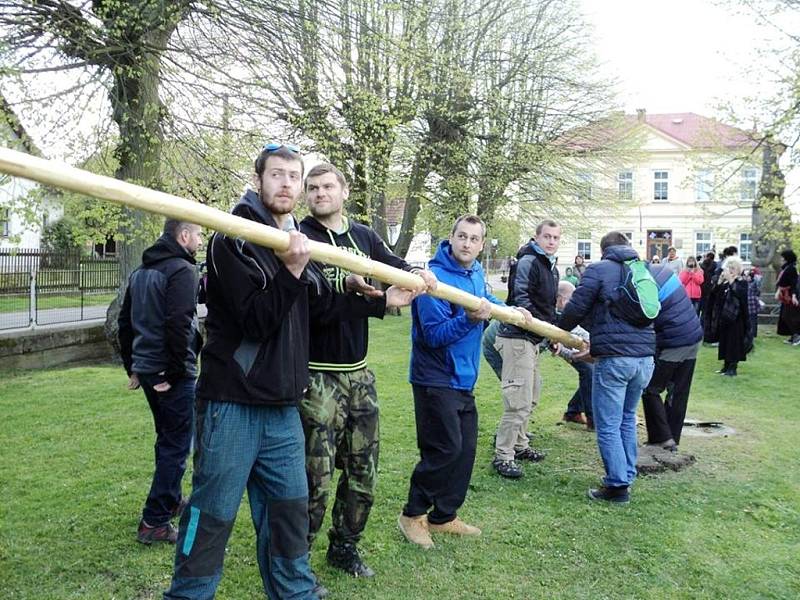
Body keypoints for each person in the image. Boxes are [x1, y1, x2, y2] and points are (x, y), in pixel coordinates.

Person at [163, 144, 415, 600]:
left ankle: (295, 592)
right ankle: (188, 593)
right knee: (212, 512)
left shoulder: (294, 237)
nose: (286, 183)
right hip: (233, 404)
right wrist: (292, 270)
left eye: (293, 177)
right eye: (276, 174)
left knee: (288, 511)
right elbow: (256, 321)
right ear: (259, 180)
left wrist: (378, 303)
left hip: (283, 407)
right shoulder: (232, 238)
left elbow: (318, 304)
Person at [298, 163, 436, 579]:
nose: (320, 193)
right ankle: (295, 560)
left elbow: (393, 263)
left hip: (359, 375)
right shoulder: (300, 238)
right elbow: (315, 307)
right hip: (316, 377)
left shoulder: (362, 236)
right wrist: (379, 303)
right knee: (314, 479)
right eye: (313, 187)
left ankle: (344, 547)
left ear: (343, 190)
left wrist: (415, 274)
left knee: (363, 471)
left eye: (327, 186)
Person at [398, 215, 530, 549]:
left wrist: (514, 311)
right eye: (462, 236)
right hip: (434, 377)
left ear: (481, 244)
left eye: (474, 239)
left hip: (463, 379)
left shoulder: (475, 274)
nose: (467, 243)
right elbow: (432, 336)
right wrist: (472, 322)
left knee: (465, 450)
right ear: (451, 238)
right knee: (444, 449)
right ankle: (412, 515)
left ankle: (443, 516)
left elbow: (490, 303)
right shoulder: (433, 280)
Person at [118, 219, 203, 545]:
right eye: (197, 234)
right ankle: (154, 521)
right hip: (170, 374)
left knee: (167, 439)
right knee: (177, 444)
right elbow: (179, 323)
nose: (199, 239)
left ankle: (170, 498)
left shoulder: (141, 272)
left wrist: (135, 367)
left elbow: (125, 324)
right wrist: (175, 373)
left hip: (151, 370)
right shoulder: (181, 269)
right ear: (183, 236)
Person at [558, 231, 655, 504]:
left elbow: (576, 307)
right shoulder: (642, 270)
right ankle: (626, 474)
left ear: (604, 251)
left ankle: (617, 486)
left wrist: (557, 331)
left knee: (608, 424)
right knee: (626, 418)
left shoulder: (598, 270)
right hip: (645, 358)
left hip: (615, 359)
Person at [492, 220, 561, 478]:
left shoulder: (551, 267)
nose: (551, 242)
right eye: (547, 237)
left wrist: (551, 335)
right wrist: (539, 326)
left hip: (533, 339)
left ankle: (520, 445)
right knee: (517, 401)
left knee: (530, 397)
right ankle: (503, 455)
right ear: (536, 237)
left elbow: (549, 308)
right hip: (517, 337)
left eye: (556, 238)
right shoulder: (528, 261)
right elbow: (520, 296)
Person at [641, 262, 703, 452]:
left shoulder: (644, 284)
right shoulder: (664, 272)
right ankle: (671, 440)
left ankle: (663, 438)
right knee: (679, 392)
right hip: (694, 337)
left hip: (675, 342)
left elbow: (645, 317)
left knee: (650, 389)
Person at [554, 281, 594, 430]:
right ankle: (592, 419)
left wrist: (593, 343)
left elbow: (577, 330)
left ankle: (573, 411)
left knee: (590, 371)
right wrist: (574, 355)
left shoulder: (564, 311)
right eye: (571, 299)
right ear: (561, 299)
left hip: (565, 344)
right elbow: (556, 347)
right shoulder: (550, 313)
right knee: (589, 372)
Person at [713, 256, 751, 376]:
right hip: (725, 317)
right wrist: (719, 283)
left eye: (733, 268)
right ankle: (725, 366)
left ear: (738, 270)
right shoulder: (726, 284)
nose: (730, 270)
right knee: (724, 341)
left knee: (733, 343)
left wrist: (731, 281)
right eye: (729, 268)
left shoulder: (742, 282)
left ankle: (732, 368)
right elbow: (715, 297)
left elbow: (739, 295)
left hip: (737, 319)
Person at [775, 249, 800, 345]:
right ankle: (793, 335)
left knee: (790, 316)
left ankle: (797, 335)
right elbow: (781, 282)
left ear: (786, 259)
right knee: (785, 316)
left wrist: (794, 296)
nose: (781, 259)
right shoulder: (786, 268)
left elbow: (794, 283)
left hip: (789, 295)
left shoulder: (791, 269)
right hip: (785, 295)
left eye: (782, 258)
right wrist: (778, 291)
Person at [699, 251, 717, 317]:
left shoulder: (702, 265)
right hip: (711, 287)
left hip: (702, 286)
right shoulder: (715, 265)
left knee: (702, 306)